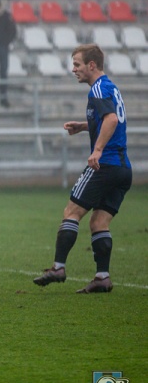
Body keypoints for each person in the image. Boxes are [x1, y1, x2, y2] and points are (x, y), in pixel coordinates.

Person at [33, 44, 130, 294]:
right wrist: (84, 125)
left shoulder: (97, 89)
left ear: (92, 65)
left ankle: (58, 267)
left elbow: (111, 119)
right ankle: (102, 277)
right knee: (99, 222)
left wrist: (97, 150)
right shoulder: (110, 87)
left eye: (77, 64)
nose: (73, 69)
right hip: (122, 168)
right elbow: (112, 118)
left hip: (105, 164)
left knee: (71, 212)